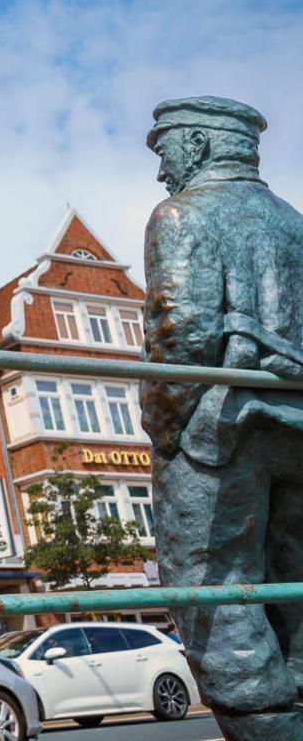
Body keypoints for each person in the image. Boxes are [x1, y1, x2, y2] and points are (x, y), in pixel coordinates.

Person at [141, 96, 303, 741]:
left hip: (222, 427)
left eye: (166, 150)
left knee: (212, 585)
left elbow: (181, 331)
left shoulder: (181, 214)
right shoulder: (294, 224)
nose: (162, 171)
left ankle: (263, 724)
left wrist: (164, 429)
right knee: (295, 573)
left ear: (200, 146)